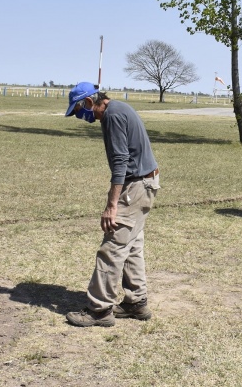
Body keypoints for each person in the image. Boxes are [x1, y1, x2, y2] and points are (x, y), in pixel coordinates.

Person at [63, 82, 160, 327]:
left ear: (88, 102)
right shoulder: (118, 108)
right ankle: (135, 303)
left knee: (113, 247)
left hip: (135, 186)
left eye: (78, 110)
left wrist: (111, 205)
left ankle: (99, 309)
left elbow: (120, 162)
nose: (80, 116)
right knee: (132, 245)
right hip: (146, 183)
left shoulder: (112, 116)